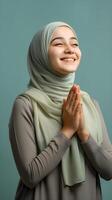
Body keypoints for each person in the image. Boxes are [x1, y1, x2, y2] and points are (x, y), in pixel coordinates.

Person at [9, 21, 112, 200]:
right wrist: (68, 130)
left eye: (74, 43)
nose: (70, 49)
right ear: (40, 53)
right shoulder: (25, 105)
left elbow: (109, 170)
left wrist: (84, 134)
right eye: (58, 43)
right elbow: (30, 175)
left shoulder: (89, 104)